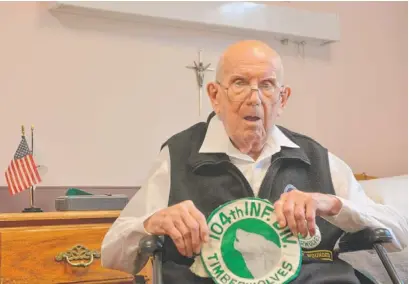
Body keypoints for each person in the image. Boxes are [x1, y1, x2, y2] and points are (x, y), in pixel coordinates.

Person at [101, 40, 407, 283]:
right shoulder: (178, 155)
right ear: (215, 95)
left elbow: (398, 234)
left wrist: (333, 204)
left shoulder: (316, 157)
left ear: (282, 99)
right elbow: (113, 251)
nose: (254, 98)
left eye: (267, 85)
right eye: (239, 83)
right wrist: (153, 222)